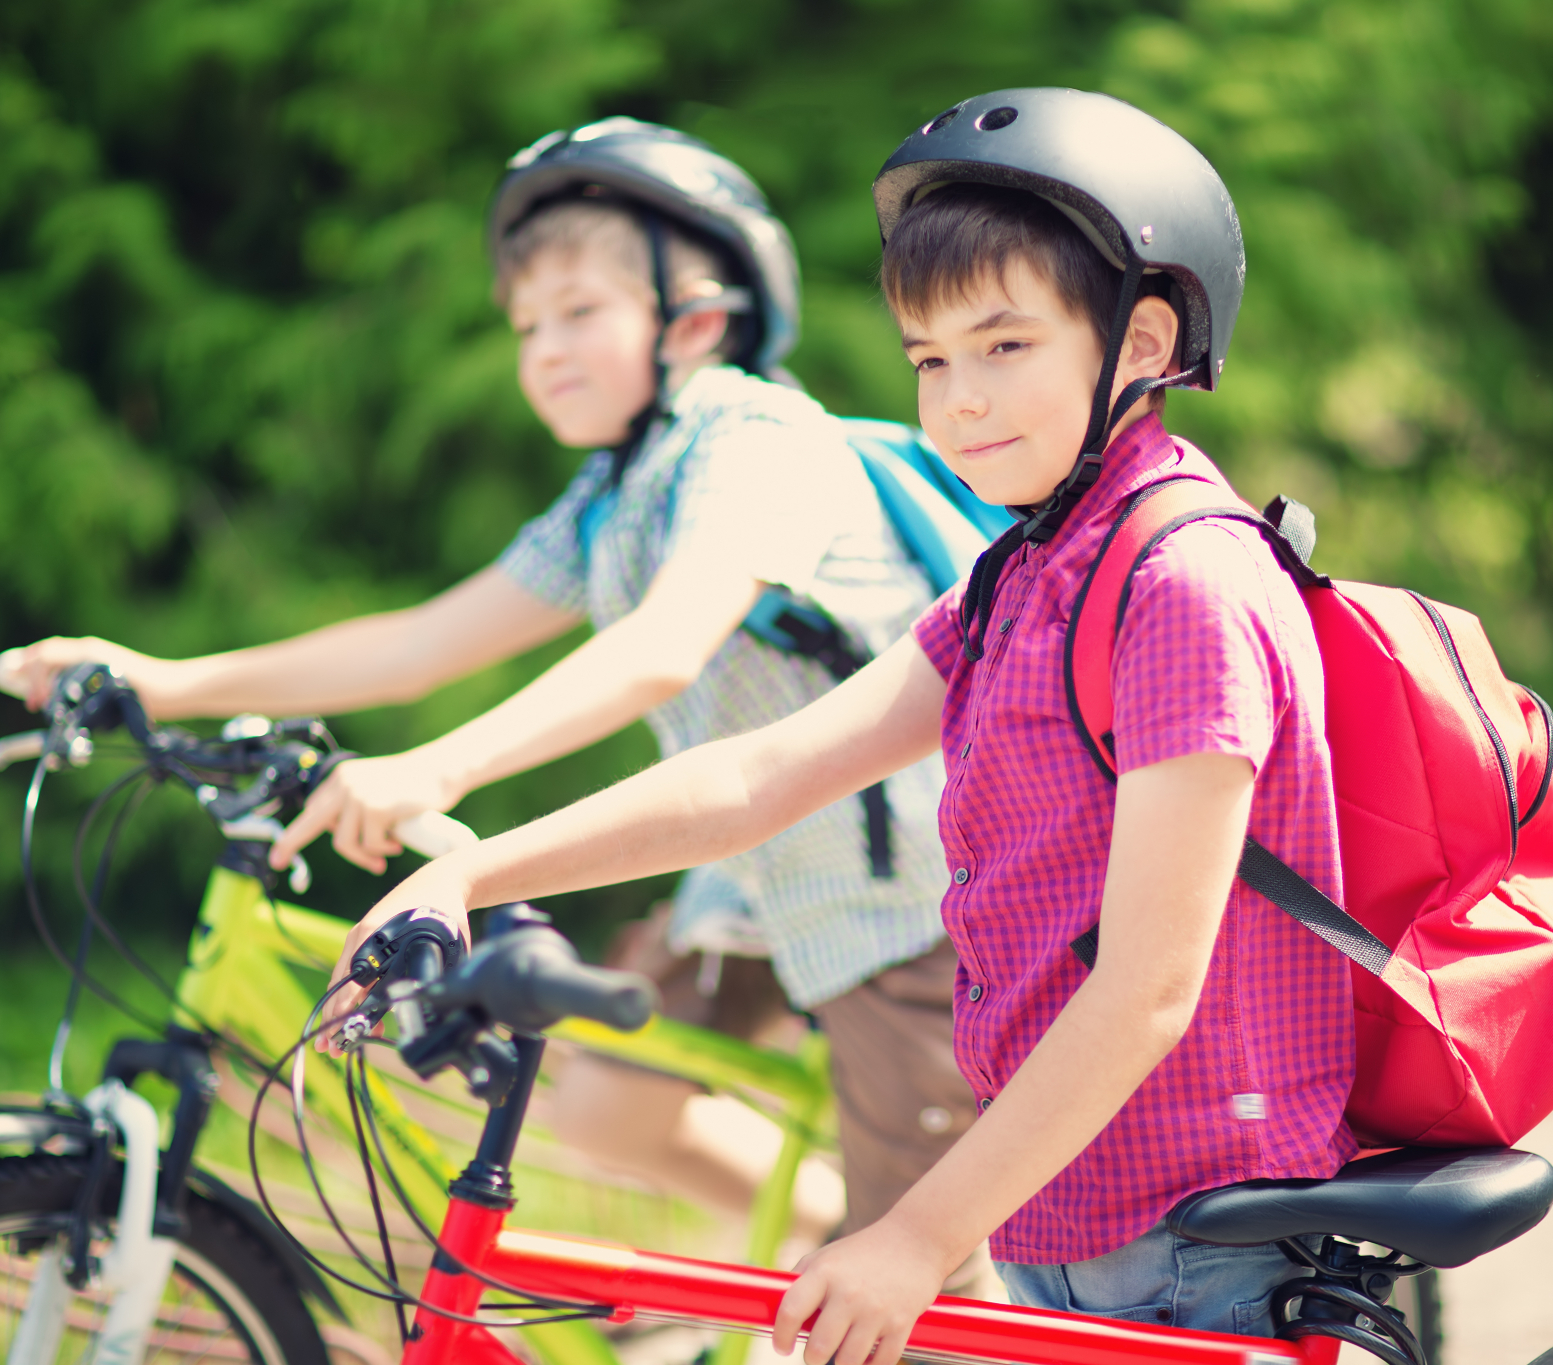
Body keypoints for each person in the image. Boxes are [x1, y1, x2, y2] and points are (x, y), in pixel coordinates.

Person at [326, 87, 1356, 1365]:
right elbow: (762, 776)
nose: (960, 402)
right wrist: (473, 870)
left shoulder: (1181, 584)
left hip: (1190, 1233)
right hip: (1061, 1208)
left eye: (1005, 346)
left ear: (1142, 341)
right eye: (930, 361)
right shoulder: (1021, 577)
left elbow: (1148, 990)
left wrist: (916, 1239)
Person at [0, 118, 982, 1253]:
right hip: (754, 889)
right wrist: (170, 683)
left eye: (580, 313)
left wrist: (437, 764)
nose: (543, 349)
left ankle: (920, 1276)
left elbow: (664, 644)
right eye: (525, 325)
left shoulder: (752, 437)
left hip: (913, 901)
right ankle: (819, 1243)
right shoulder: (617, 491)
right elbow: (424, 641)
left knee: (924, 1284)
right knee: (612, 1103)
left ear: (696, 322)